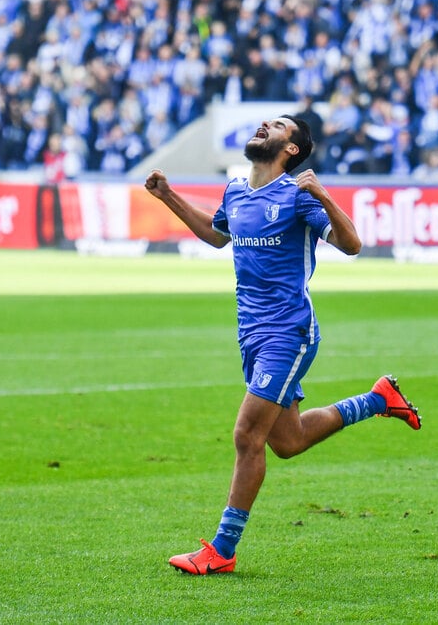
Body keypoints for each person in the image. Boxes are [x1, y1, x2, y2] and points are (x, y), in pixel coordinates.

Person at [144, 114, 422, 575]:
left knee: (246, 435)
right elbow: (218, 236)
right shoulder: (235, 190)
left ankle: (222, 550)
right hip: (251, 333)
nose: (263, 127)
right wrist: (169, 196)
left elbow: (352, 245)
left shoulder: (297, 195)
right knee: (287, 442)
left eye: (276, 126)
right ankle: (377, 400)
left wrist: (324, 196)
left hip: (288, 332)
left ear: (291, 149)